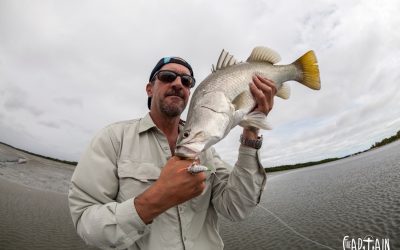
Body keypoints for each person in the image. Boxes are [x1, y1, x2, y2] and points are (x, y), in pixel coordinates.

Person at [68, 56, 276, 250]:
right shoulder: (113, 139)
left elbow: (236, 207)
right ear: (150, 89)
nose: (178, 84)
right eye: (167, 77)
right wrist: (157, 199)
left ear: (189, 95)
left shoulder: (206, 150)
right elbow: (85, 222)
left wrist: (251, 129)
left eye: (187, 81)